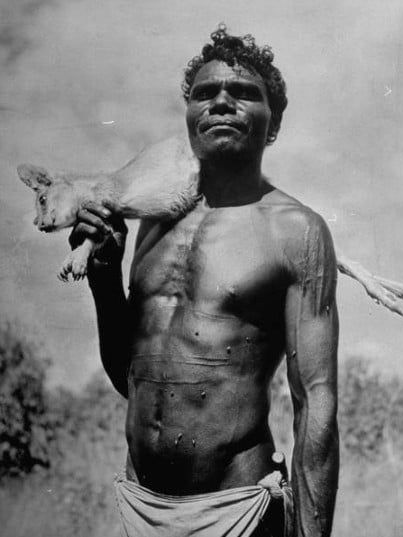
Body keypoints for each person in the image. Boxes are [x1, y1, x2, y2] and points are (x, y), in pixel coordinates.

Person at [71, 26, 339, 537]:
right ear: (189, 115)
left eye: (243, 94)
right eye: (204, 94)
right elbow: (131, 378)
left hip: (239, 510)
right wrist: (103, 277)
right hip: (141, 508)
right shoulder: (153, 225)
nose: (221, 102)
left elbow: (317, 405)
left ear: (273, 123)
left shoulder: (295, 230)